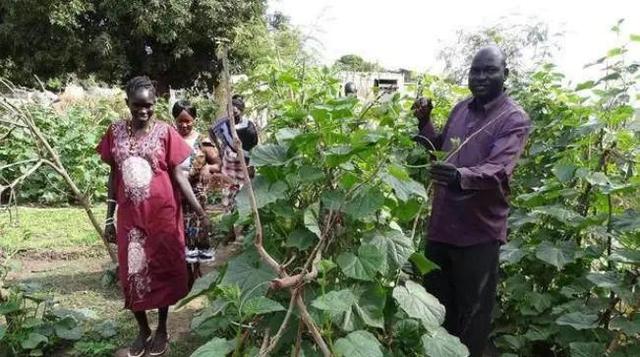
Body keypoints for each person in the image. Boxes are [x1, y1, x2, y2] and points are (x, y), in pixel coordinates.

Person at [412, 45, 531, 357]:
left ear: (505, 74)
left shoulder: (512, 118)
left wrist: (459, 176)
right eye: (475, 71)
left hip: (478, 233)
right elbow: (439, 150)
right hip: (442, 227)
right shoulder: (461, 109)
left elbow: (498, 170)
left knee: (473, 316)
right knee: (436, 307)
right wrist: (424, 121)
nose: (480, 77)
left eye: (489, 70)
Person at [98, 76, 210, 357]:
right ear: (127, 104)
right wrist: (109, 217)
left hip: (163, 217)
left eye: (148, 105)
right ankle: (142, 329)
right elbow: (113, 175)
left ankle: (161, 328)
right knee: (131, 272)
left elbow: (179, 175)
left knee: (162, 269)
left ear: (155, 104)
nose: (143, 111)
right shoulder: (115, 132)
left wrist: (199, 211)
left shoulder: (165, 133)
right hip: (130, 220)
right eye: (137, 105)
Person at [172, 100, 220, 283]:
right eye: (180, 121)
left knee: (197, 231)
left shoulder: (203, 141)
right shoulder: (171, 139)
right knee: (180, 232)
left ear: (194, 119)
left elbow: (217, 163)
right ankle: (185, 272)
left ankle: (195, 270)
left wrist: (209, 168)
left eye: (188, 121)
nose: (184, 125)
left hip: (196, 195)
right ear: (174, 120)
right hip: (175, 194)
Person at [209, 95, 258, 216]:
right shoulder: (224, 124)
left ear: (241, 111)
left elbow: (254, 145)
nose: (234, 115)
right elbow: (211, 130)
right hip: (229, 163)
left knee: (245, 193)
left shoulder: (249, 125)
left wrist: (251, 164)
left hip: (244, 163)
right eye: (231, 112)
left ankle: (244, 223)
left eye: (236, 112)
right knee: (228, 192)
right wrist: (219, 146)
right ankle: (230, 224)